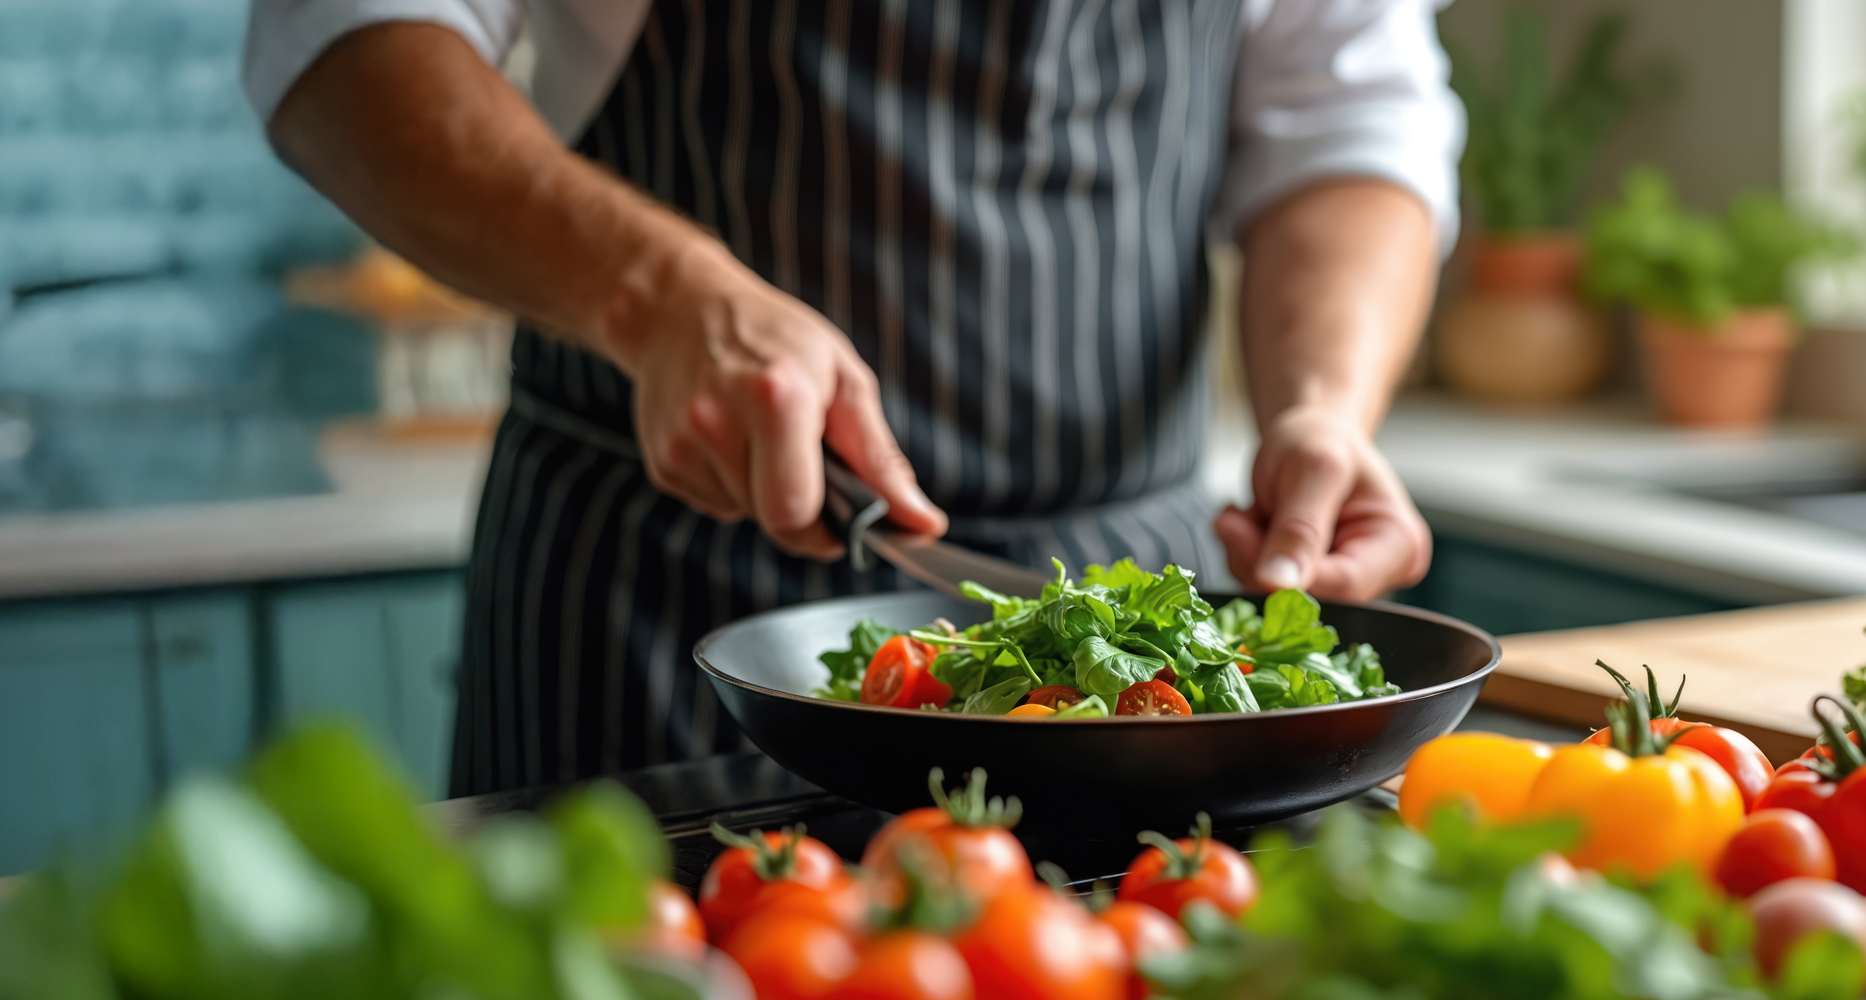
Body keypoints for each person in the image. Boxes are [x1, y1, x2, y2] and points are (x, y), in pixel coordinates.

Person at [243, 0, 1463, 795]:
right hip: (660, 605)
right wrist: (655, 292)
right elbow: (347, 44)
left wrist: (1320, 405)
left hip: (1133, 643)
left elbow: (1349, 118)